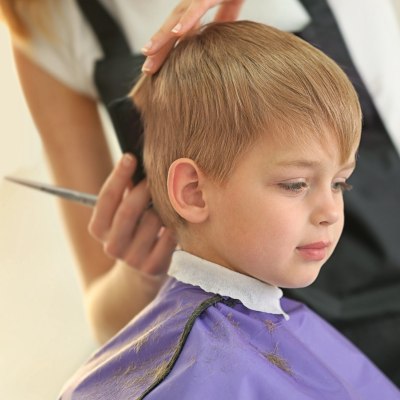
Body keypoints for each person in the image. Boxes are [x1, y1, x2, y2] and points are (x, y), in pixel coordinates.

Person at [59, 21, 400, 399]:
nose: (331, 212)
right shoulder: (196, 374)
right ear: (194, 192)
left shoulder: (273, 318)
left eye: (339, 183)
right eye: (295, 184)